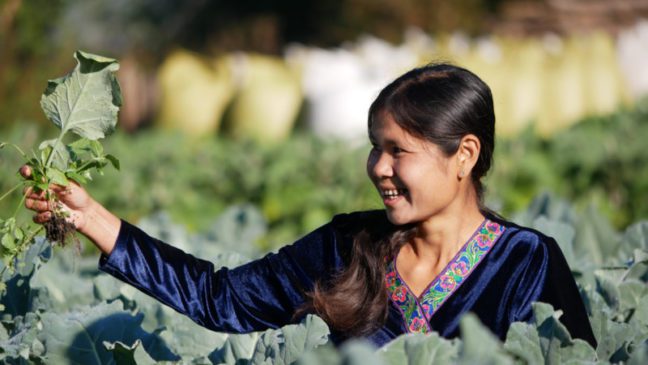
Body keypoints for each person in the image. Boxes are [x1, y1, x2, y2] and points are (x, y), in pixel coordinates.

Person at [23, 63, 597, 348]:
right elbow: (218, 299)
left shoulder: (527, 263)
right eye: (374, 148)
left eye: (399, 151)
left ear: (464, 154)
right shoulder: (348, 245)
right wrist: (92, 217)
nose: (378, 168)